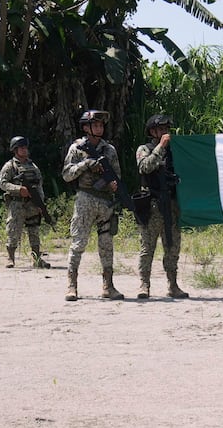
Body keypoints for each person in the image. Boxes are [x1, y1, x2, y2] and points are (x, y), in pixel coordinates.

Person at [61, 109, 125, 300]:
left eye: (101, 125)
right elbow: (66, 174)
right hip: (85, 199)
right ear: (86, 127)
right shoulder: (77, 148)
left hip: (105, 201)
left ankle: (108, 286)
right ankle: (71, 286)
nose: (100, 128)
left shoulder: (109, 150)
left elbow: (117, 176)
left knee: (106, 244)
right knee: (79, 242)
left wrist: (114, 185)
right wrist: (86, 164)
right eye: (95, 125)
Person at [134, 113, 188, 299]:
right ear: (153, 131)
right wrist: (161, 147)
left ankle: (173, 285)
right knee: (147, 248)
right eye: (161, 129)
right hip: (152, 205)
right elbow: (145, 167)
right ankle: (144, 284)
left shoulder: (176, 150)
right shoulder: (145, 149)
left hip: (172, 205)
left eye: (167, 129)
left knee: (172, 248)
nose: (165, 132)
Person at [0, 135, 50, 269]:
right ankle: (10, 258)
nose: (25, 150)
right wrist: (18, 189)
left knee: (34, 230)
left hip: (32, 204)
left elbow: (39, 185)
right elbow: (3, 184)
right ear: (15, 149)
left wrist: (41, 204)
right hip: (17, 203)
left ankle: (37, 258)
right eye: (22, 148)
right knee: (13, 230)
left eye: (26, 147)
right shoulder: (9, 166)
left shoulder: (33, 166)